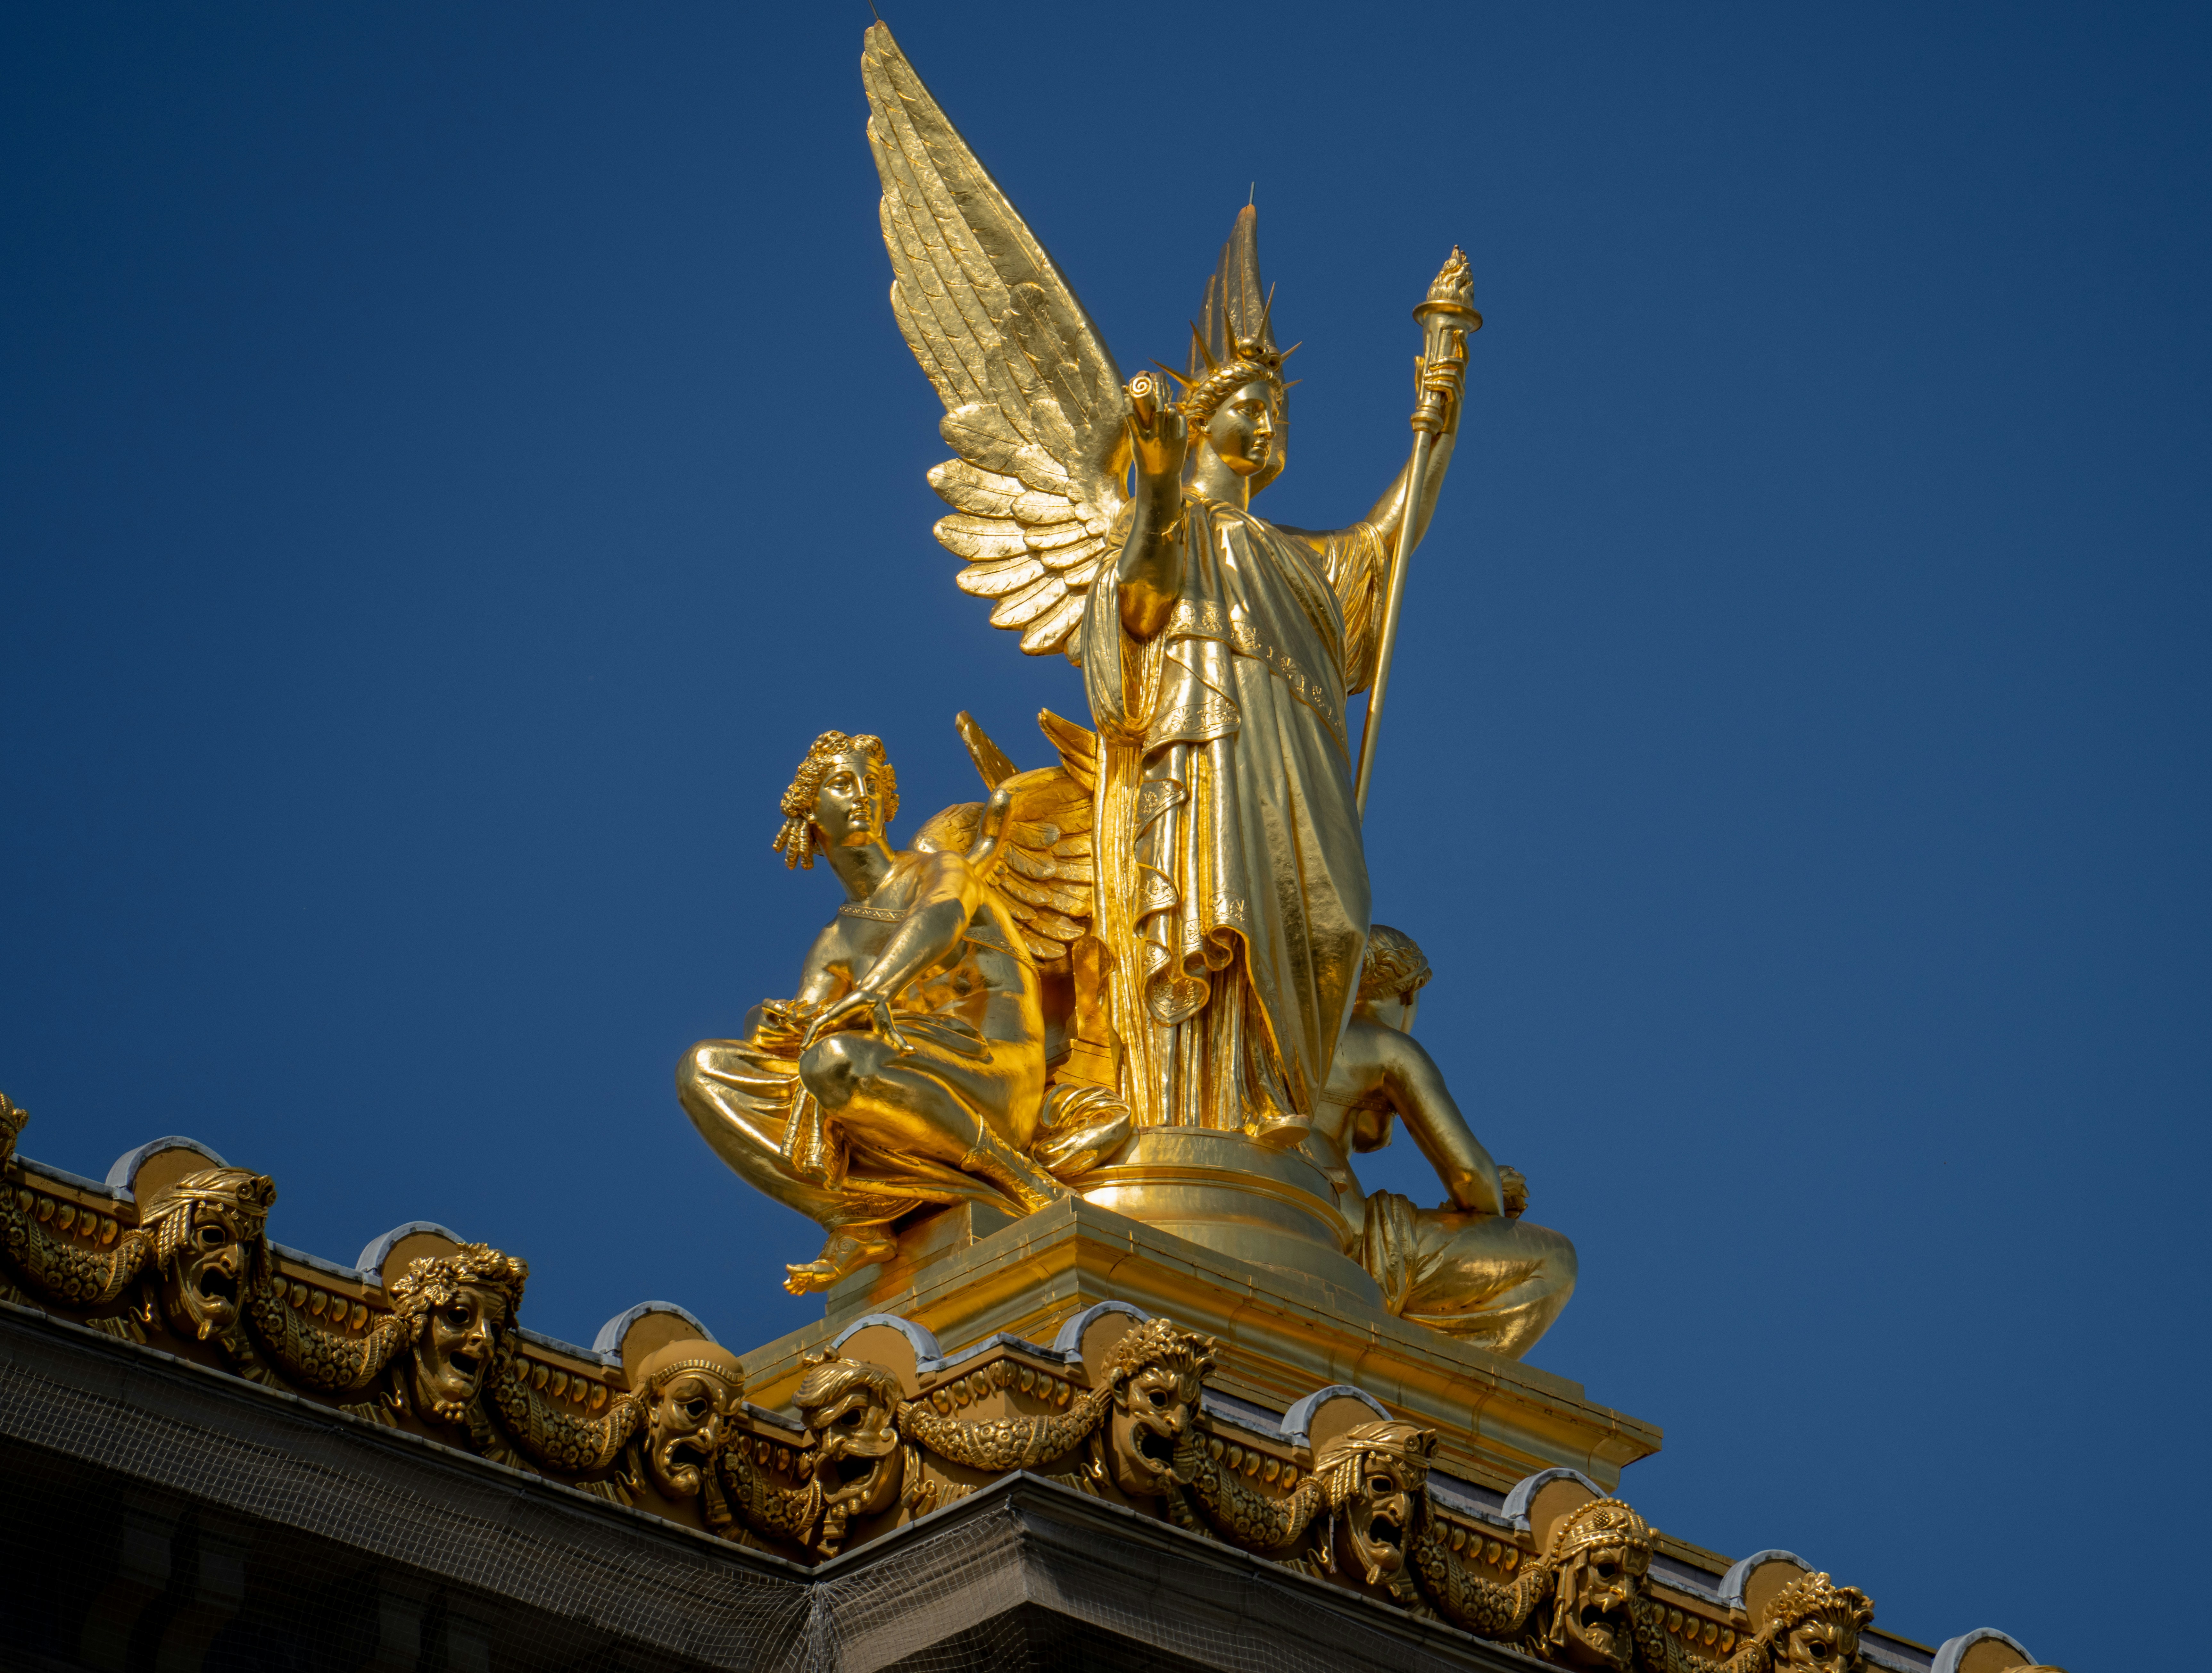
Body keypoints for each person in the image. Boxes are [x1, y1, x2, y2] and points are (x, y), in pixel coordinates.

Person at [676, 730, 1062, 1294]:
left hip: (990, 1070)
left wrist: (876, 989)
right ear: (810, 813)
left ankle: (1014, 1174)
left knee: (835, 1061)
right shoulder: (834, 943)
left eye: (871, 785)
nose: (862, 795)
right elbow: (803, 1028)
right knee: (704, 1068)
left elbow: (941, 917)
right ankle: (856, 1217)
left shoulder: (939, 868)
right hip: (897, 1071)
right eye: (841, 785)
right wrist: (771, 1028)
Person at [1304, 925, 1577, 1360]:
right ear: (1408, 996)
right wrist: (1489, 1198)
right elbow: (1467, 1171)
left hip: (1301, 1195)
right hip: (1344, 1223)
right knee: (1553, 1259)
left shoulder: (1299, 1037)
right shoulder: (1387, 1046)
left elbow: (1366, 1137)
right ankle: (1439, 1380)